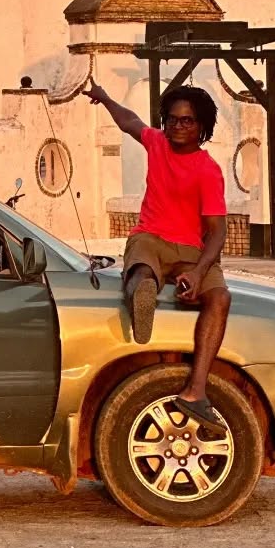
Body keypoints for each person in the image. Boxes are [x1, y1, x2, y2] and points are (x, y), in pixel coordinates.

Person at [83, 79, 230, 433]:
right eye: (173, 119)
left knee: (220, 298)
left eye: (188, 120)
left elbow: (218, 231)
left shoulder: (208, 170)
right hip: (150, 236)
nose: (178, 126)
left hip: (191, 251)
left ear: (202, 127)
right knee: (141, 273)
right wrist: (103, 97)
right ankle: (142, 302)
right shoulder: (157, 143)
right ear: (165, 121)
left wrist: (197, 272)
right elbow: (129, 120)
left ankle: (196, 391)